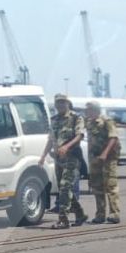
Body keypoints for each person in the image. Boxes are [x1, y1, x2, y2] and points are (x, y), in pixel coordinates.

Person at [39, 93, 87, 229]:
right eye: (58, 103)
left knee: (65, 187)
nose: (60, 105)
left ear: (68, 103)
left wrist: (67, 146)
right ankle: (80, 214)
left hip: (72, 158)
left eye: (63, 102)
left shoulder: (76, 118)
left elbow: (79, 135)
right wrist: (43, 156)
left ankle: (63, 219)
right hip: (58, 160)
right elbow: (50, 139)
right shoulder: (53, 120)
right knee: (64, 189)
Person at [84, 101, 121, 224]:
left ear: (95, 110)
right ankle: (100, 214)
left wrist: (105, 153)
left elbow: (113, 138)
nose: (86, 112)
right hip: (95, 159)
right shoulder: (89, 123)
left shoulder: (106, 121)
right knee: (97, 187)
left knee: (110, 186)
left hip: (108, 159)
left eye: (89, 110)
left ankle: (114, 213)